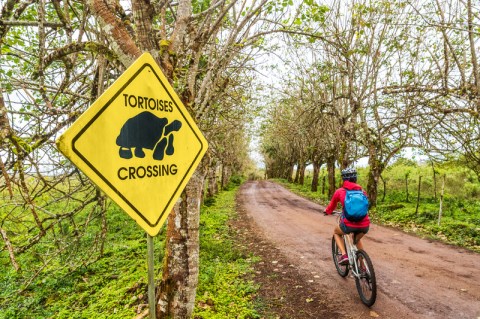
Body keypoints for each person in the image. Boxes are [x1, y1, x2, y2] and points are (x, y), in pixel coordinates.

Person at [323, 168, 370, 265]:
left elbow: (331, 206)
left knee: (336, 232)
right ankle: (363, 266)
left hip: (349, 224)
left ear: (344, 179)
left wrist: (327, 212)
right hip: (365, 225)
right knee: (356, 240)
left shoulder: (340, 191)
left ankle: (344, 255)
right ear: (355, 178)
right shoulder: (362, 191)